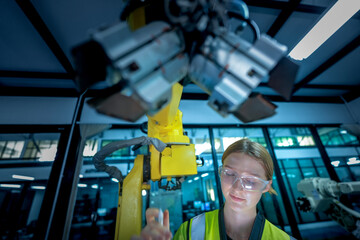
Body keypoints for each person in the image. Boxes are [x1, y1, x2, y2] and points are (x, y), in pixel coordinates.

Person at [133, 138, 296, 240]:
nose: (237, 188)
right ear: (220, 173)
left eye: (251, 181)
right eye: (230, 174)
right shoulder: (190, 232)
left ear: (266, 186)